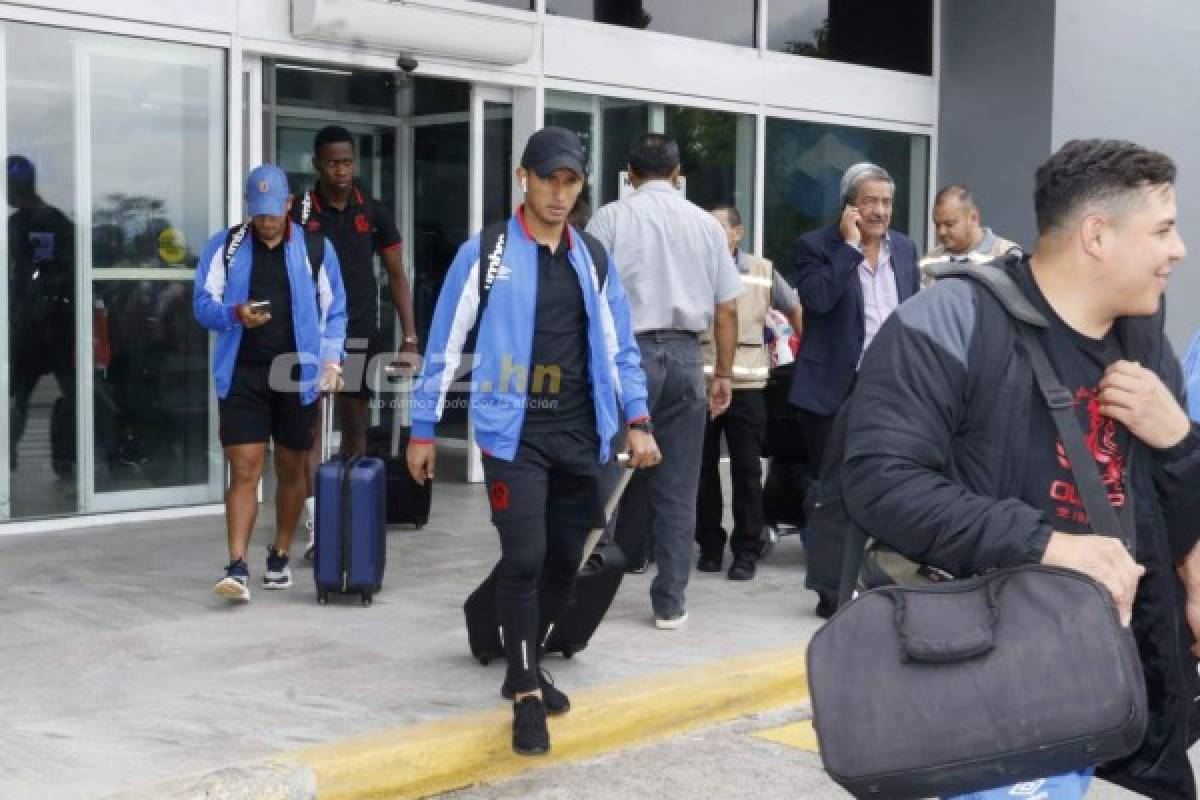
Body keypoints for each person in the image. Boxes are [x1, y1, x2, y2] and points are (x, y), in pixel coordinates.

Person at [841, 139, 1200, 799]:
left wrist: (1179, 441)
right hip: (995, 701)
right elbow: (878, 481)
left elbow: (1165, 500)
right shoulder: (949, 320)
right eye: (1163, 230)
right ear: (1097, 235)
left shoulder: (1143, 334)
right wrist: (1047, 545)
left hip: (1134, 703)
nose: (1177, 250)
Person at [407, 127, 659, 756]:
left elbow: (621, 347)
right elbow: (445, 342)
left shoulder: (591, 257)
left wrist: (638, 418)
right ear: (524, 177)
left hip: (580, 433)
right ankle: (523, 689)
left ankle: (525, 659)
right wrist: (421, 428)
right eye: (549, 178)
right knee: (523, 556)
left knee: (561, 561)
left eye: (571, 181)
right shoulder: (488, 252)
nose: (559, 192)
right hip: (510, 432)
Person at [586, 134, 742, 629]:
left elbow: (587, 296)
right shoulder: (705, 224)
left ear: (630, 172)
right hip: (684, 357)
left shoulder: (611, 218)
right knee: (679, 487)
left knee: (607, 477)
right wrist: (722, 373)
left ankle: (590, 591)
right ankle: (670, 602)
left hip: (624, 355)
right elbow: (726, 309)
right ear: (677, 174)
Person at [194, 164, 346, 602]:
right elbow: (203, 305)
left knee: (292, 469)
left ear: (288, 205)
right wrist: (234, 314)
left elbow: (335, 310)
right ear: (249, 209)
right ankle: (237, 567)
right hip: (243, 373)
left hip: (298, 374)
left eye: (273, 211)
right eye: (258, 213)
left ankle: (279, 553)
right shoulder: (225, 247)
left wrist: (331, 360)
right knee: (244, 468)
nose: (266, 221)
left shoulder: (316, 248)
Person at [789, 162, 919, 617]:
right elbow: (818, 302)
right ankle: (830, 590)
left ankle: (877, 575)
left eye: (886, 202)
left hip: (889, 389)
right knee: (832, 492)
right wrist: (848, 249)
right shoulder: (816, 248)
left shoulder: (904, 249)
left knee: (885, 482)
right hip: (830, 391)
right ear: (849, 206)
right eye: (870, 202)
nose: (880, 211)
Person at [293, 125, 417, 559]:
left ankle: (348, 510)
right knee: (310, 430)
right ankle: (316, 523)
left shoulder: (374, 211)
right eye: (332, 163)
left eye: (346, 162)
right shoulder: (299, 211)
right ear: (317, 164)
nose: (340, 170)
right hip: (311, 335)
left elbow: (398, 275)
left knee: (354, 427)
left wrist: (411, 336)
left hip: (362, 329)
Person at [695, 204, 802, 581]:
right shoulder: (694, 267)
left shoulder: (761, 270)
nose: (710, 235)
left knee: (745, 471)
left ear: (737, 233)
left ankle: (746, 550)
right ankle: (709, 545)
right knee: (702, 471)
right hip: (702, 385)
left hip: (749, 387)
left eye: (718, 228)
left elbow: (794, 308)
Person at [7, 155, 76, 478]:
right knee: (24, 397)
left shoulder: (28, 222)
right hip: (48, 323)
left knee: (20, 397)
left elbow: (38, 273)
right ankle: (63, 462)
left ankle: (63, 461)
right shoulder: (49, 219)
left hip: (41, 326)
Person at [922, 184, 1022, 284]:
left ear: (973, 218)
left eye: (949, 224)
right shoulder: (929, 260)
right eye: (937, 225)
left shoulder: (1007, 256)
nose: (941, 232)